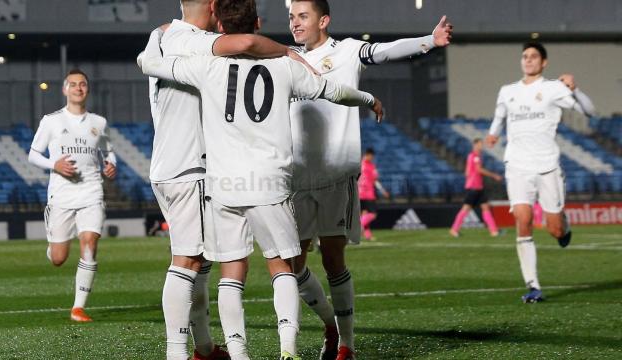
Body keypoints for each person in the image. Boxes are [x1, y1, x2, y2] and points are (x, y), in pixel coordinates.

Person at [139, 0, 383, 358]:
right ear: (257, 22)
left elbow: (153, 64)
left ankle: (238, 354)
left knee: (230, 274)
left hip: (224, 183)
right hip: (270, 181)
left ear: (219, 25)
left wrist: (150, 50)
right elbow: (331, 90)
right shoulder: (285, 64)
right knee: (282, 267)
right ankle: (288, 349)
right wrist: (368, 98)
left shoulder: (206, 65)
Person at [142, 1, 308, 359]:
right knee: (185, 260)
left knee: (200, 261)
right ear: (214, 6)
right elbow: (245, 43)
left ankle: (204, 346)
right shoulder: (196, 39)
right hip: (192, 164)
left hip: (167, 162)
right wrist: (290, 53)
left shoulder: (159, 34)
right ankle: (177, 353)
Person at [287, 1, 452, 358]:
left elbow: (385, 51)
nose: (295, 23)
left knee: (333, 260)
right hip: (296, 178)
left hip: (337, 174)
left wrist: (430, 40)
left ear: (323, 19)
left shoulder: (346, 51)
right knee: (293, 267)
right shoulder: (286, 60)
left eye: (303, 16)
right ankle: (330, 323)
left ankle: (346, 344)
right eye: (291, 17)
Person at [486, 42, 595, 303]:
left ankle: (563, 228)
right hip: (517, 166)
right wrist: (493, 134)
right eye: (525, 56)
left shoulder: (553, 88)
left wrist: (574, 87)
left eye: (534, 56)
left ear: (543, 62)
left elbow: (589, 111)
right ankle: (533, 285)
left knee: (554, 229)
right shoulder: (507, 91)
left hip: (547, 166)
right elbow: (499, 116)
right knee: (522, 220)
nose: (528, 60)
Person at [27, 69, 117, 322]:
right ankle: (52, 243)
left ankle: (78, 307)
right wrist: (53, 165)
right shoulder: (51, 121)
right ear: (65, 89)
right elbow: (33, 154)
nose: (78, 88)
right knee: (58, 258)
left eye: (83, 85)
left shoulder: (98, 123)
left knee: (89, 242)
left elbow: (108, 152)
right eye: (73, 85)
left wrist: (111, 165)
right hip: (62, 193)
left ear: (87, 90)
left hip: (91, 190)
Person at [449, 138, 502, 237]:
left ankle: (494, 231)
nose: (482, 146)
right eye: (480, 144)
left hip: (477, 187)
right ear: (475, 145)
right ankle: (454, 229)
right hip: (474, 187)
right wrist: (494, 175)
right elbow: (479, 169)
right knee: (466, 208)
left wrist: (470, 178)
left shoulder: (471, 156)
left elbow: (467, 172)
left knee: (485, 207)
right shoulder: (475, 156)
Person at [358, 148, 389, 241]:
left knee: (364, 214)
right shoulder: (370, 166)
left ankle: (367, 235)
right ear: (367, 155)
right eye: (371, 156)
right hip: (367, 194)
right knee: (373, 214)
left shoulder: (359, 164)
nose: (372, 158)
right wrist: (382, 190)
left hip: (359, 194)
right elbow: (375, 181)